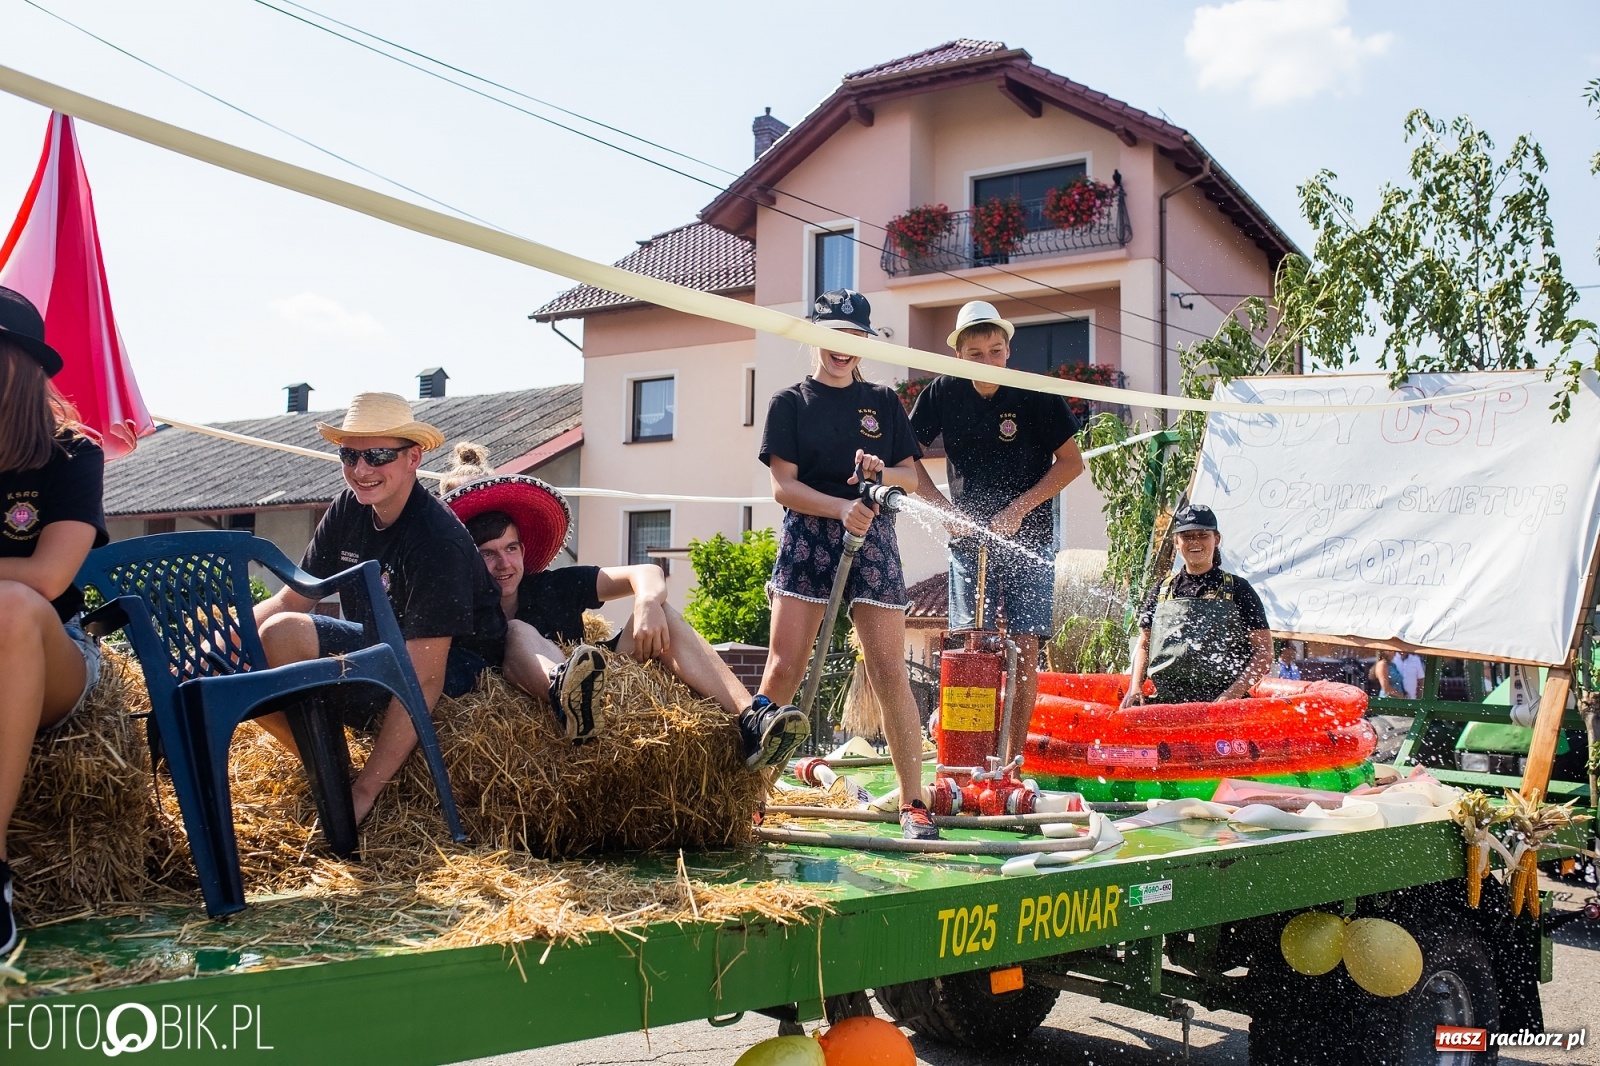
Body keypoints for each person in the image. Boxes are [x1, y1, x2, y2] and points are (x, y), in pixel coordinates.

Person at [439, 446, 796, 764]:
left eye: (511, 548)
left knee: (664, 613)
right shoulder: (453, 612)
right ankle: (566, 693)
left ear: (523, 550)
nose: (504, 564)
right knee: (517, 631)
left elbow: (645, 572)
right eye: (487, 554)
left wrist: (647, 602)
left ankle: (751, 719)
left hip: (605, 690)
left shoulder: (553, 586)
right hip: (529, 712)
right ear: (467, 560)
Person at [251, 393, 507, 825]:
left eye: (378, 455)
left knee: (281, 641)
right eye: (349, 455)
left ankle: (356, 789)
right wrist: (221, 642)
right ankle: (330, 772)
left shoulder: (436, 540)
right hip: (385, 649)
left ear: (413, 458)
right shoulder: (349, 507)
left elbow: (424, 678)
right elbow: (291, 599)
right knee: (264, 644)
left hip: (459, 673)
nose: (361, 470)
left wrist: (366, 794)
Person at [759, 289, 937, 839]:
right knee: (784, 668)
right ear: (814, 334)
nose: (844, 346)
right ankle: (751, 796)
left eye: (855, 336)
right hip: (809, 534)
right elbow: (783, 487)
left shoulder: (883, 401)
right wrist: (839, 508)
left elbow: (911, 476)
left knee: (888, 671)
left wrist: (881, 473)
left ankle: (914, 803)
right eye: (834, 335)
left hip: (874, 533)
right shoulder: (790, 403)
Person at [909, 300, 1085, 757]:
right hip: (968, 539)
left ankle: (1011, 760)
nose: (987, 361)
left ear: (1008, 350)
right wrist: (943, 511)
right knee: (973, 643)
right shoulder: (941, 392)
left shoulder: (1036, 392)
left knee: (1025, 648)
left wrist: (1020, 508)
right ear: (958, 355)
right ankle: (968, 756)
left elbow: (1072, 463)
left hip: (1030, 537)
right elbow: (905, 459)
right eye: (975, 354)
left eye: (995, 351)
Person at [0, 287, 108, 953]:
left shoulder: (72, 453)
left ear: (18, 365)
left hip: (49, 654)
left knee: (13, 607)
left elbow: (46, 578)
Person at [1123, 504, 1273, 707]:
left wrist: (1232, 694)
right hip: (1166, 704)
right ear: (1176, 542)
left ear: (1216, 539)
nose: (1195, 541)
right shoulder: (1161, 589)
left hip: (1224, 705)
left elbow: (1264, 651)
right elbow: (1144, 645)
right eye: (1187, 536)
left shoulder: (1239, 589)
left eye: (1203, 535)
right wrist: (1135, 688)